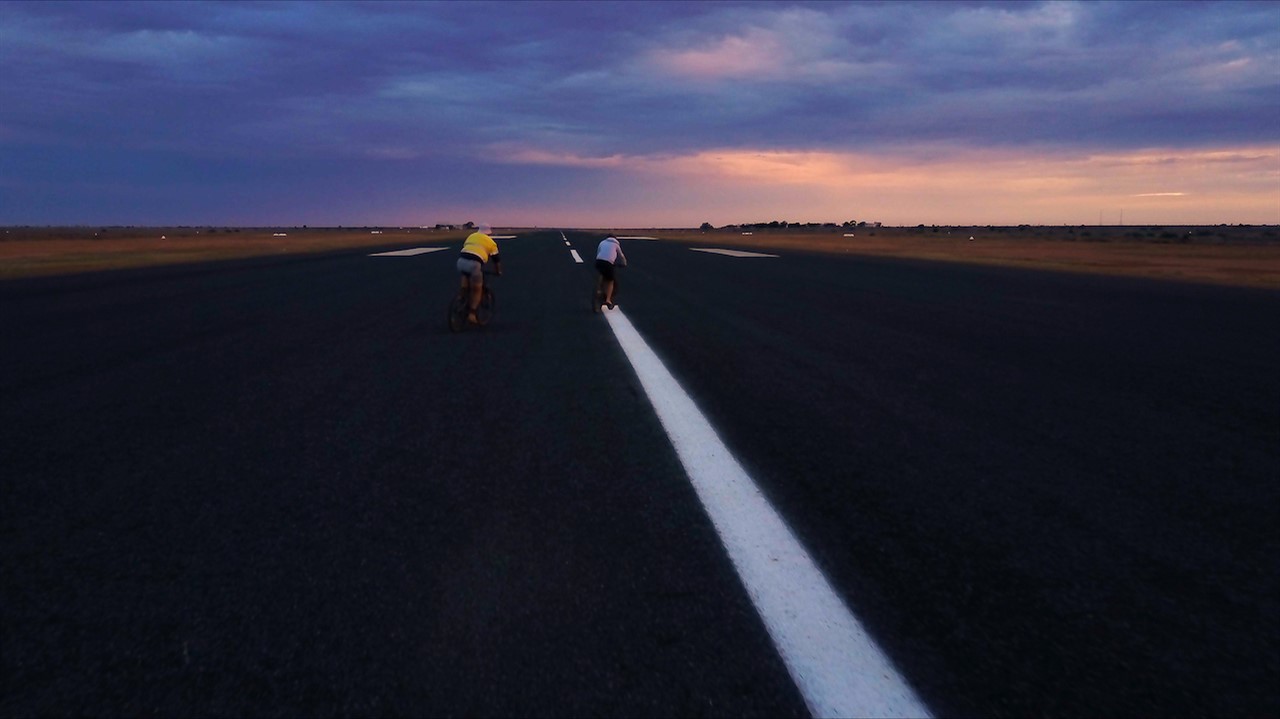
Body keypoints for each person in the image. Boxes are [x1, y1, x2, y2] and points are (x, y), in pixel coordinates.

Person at [457, 224, 502, 324]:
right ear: (489, 233)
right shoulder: (491, 243)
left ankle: (461, 298)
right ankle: (472, 314)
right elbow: (496, 260)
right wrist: (498, 271)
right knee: (477, 289)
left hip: (461, 261)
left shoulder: (471, 236)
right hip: (474, 264)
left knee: (465, 277)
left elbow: (467, 248)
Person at [594, 234, 627, 309]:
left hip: (598, 261)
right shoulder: (616, 244)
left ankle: (599, 287)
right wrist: (624, 263)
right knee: (610, 281)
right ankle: (608, 300)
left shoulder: (602, 242)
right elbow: (621, 256)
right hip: (608, 263)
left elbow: (599, 252)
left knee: (602, 273)